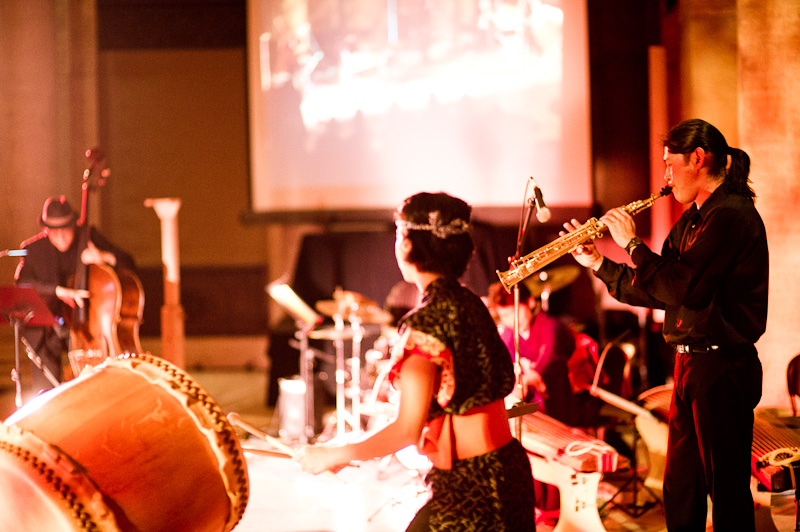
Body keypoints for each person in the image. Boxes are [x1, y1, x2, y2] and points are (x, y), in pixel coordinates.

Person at [563, 118, 768, 532]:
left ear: (698, 158)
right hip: (691, 365)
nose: (666, 177)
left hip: (723, 366)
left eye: (670, 164)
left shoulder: (731, 217)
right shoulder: (692, 221)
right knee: (681, 488)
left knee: (727, 491)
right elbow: (659, 291)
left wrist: (632, 243)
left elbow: (680, 286)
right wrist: (599, 263)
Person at [295, 192, 536, 531]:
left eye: (398, 234)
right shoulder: (471, 304)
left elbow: (407, 428)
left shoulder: (425, 324)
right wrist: (352, 451)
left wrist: (335, 454)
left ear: (407, 244)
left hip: (472, 484)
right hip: (508, 468)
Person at [14, 195, 136, 396]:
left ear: (74, 226)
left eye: (66, 230)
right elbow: (23, 283)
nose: (61, 236)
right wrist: (58, 291)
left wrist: (103, 257)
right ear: (45, 230)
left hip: (88, 328)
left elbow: (129, 261)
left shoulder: (88, 237)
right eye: (54, 232)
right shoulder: (33, 249)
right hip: (49, 331)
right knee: (46, 391)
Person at [486, 281, 576, 425]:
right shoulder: (508, 335)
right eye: (503, 316)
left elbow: (548, 358)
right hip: (532, 412)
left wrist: (526, 380)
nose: (509, 320)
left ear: (530, 302)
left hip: (560, 409)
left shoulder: (551, 327)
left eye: (512, 312)